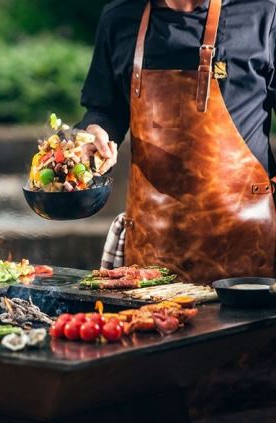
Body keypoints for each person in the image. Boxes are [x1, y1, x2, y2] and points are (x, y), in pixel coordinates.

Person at [78, 0, 276, 282]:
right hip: (151, 249)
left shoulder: (262, 13)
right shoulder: (120, 16)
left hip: (249, 243)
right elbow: (104, 110)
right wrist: (96, 133)